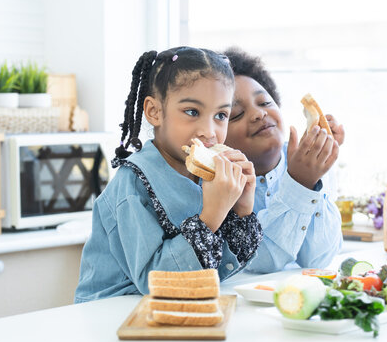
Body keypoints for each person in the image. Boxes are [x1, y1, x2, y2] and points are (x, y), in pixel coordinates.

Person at [75, 47, 263, 303]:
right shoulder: (132, 183)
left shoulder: (206, 176)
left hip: (176, 309)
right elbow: (156, 282)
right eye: (192, 112)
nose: (209, 131)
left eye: (221, 115)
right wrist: (211, 216)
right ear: (154, 111)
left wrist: (242, 209)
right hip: (115, 312)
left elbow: (217, 271)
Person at [222, 47, 345, 273]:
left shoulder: (309, 164)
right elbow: (261, 261)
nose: (259, 114)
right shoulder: (219, 184)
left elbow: (318, 258)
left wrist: (315, 172)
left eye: (265, 103)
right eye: (237, 114)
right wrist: (299, 183)